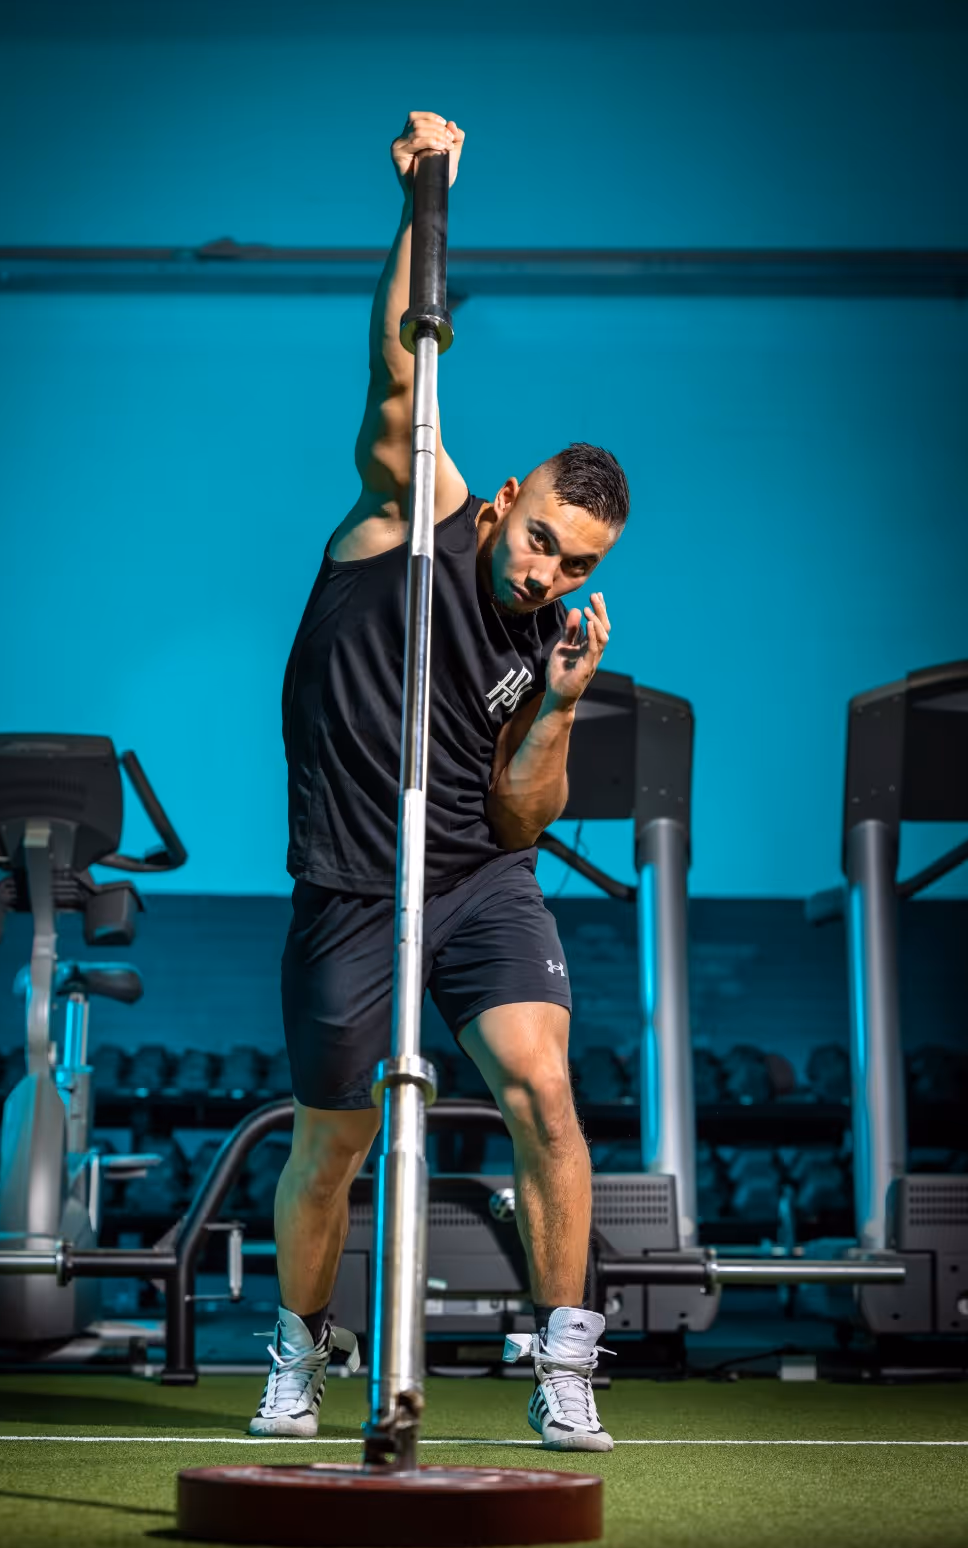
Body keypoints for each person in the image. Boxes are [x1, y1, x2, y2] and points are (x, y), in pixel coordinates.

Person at [252, 111, 629, 1451]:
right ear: (509, 496)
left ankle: (564, 1360)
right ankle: (298, 1354)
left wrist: (563, 709)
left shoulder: (546, 638)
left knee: (546, 1094)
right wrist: (423, 200)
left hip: (475, 875)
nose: (544, 575)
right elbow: (400, 387)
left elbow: (527, 812)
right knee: (333, 1148)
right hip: (350, 883)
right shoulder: (416, 517)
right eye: (539, 542)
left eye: (574, 565)